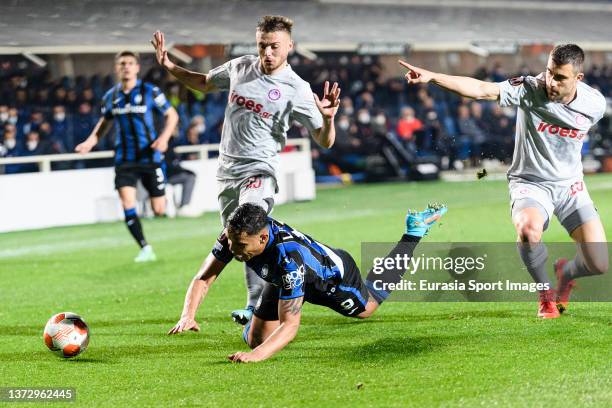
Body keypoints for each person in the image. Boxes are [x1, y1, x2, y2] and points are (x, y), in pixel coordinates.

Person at [151, 15, 341, 324]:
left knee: (250, 226)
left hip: (260, 171)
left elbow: (325, 141)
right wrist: (169, 66)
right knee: (237, 241)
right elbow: (203, 82)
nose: (268, 53)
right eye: (262, 46)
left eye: (274, 47)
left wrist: (329, 117)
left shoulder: (297, 88)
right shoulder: (240, 67)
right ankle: (256, 304)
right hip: (227, 172)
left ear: (290, 46)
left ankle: (261, 306)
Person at [399, 44, 608, 318]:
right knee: (528, 230)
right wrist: (433, 77)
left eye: (560, 78)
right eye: (548, 73)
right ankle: (545, 295)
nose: (550, 82)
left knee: (599, 264)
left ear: (577, 79)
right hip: (530, 182)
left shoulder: (594, 104)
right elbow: (482, 89)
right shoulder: (529, 89)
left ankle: (564, 273)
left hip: (571, 186)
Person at [168, 202, 447, 363]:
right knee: (256, 340)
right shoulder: (237, 235)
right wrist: (187, 316)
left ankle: (413, 233)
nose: (234, 249)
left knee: (368, 307)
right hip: (280, 279)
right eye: (231, 241)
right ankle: (252, 323)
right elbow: (204, 277)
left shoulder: (288, 261)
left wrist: (257, 358)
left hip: (331, 279)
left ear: (262, 238)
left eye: (240, 245)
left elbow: (291, 326)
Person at [75, 51, 179, 262]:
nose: (126, 67)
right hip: (125, 159)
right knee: (126, 203)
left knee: (158, 209)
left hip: (150, 157)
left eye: (130, 63)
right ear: (117, 68)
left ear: (137, 68)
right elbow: (104, 123)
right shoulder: (111, 96)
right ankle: (145, 248)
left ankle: (160, 206)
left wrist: (165, 138)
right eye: (122, 63)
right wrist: (90, 141)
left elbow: (172, 115)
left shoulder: (150, 91)